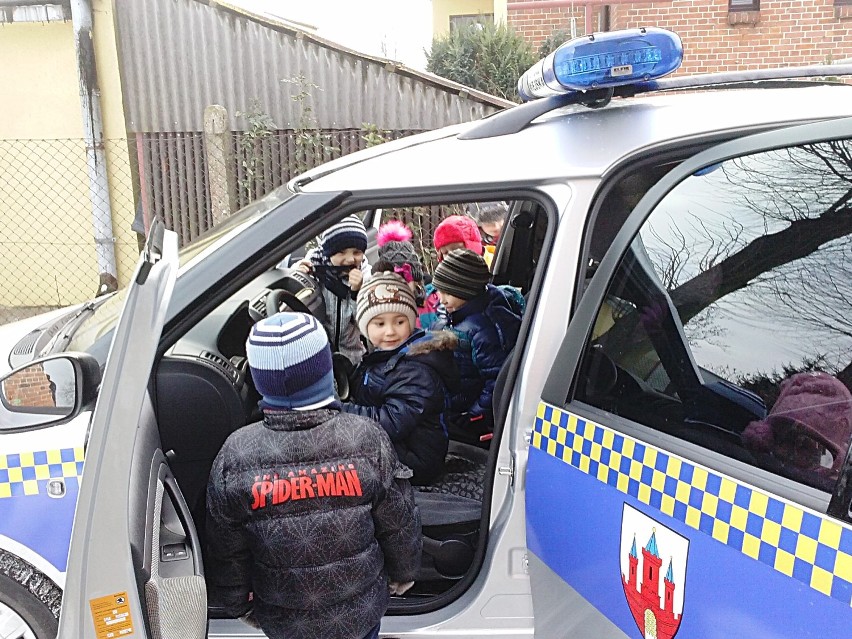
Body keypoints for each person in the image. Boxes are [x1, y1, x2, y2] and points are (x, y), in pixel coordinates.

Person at [205, 311, 422, 639]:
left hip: (283, 620)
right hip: (360, 612)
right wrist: (403, 572)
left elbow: (226, 547)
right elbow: (398, 521)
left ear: (258, 378)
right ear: (326, 370)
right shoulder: (365, 437)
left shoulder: (236, 454)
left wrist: (239, 605)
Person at [342, 268, 458, 485]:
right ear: (365, 327)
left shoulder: (415, 371)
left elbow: (391, 422)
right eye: (380, 323)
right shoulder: (390, 354)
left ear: (412, 321)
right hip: (408, 448)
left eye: (399, 322)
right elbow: (372, 383)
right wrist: (349, 374)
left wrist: (341, 411)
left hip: (417, 463)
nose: (390, 332)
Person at [431, 248, 523, 444]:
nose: (441, 298)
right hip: (450, 401)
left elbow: (495, 380)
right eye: (439, 290)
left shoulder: (483, 330)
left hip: (468, 412)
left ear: (467, 290)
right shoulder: (452, 311)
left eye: (448, 292)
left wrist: (475, 415)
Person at [742, 371, 852, 491]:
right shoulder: (743, 464)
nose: (791, 454)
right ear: (768, 437)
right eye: (787, 439)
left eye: (805, 445)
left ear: (828, 458)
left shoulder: (829, 496)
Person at [296, 214, 372, 366]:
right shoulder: (315, 267)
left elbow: (366, 325)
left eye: (357, 252)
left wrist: (357, 292)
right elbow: (297, 300)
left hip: (352, 357)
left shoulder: (365, 276)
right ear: (328, 252)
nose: (350, 259)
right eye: (341, 252)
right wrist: (298, 273)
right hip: (318, 355)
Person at [420, 214, 486, 330]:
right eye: (445, 252)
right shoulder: (428, 296)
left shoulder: (487, 297)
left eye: (456, 249)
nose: (450, 256)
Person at [376, 220, 428, 326]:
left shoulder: (431, 300)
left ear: (416, 280)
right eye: (394, 279)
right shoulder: (379, 305)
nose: (401, 285)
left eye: (406, 277)